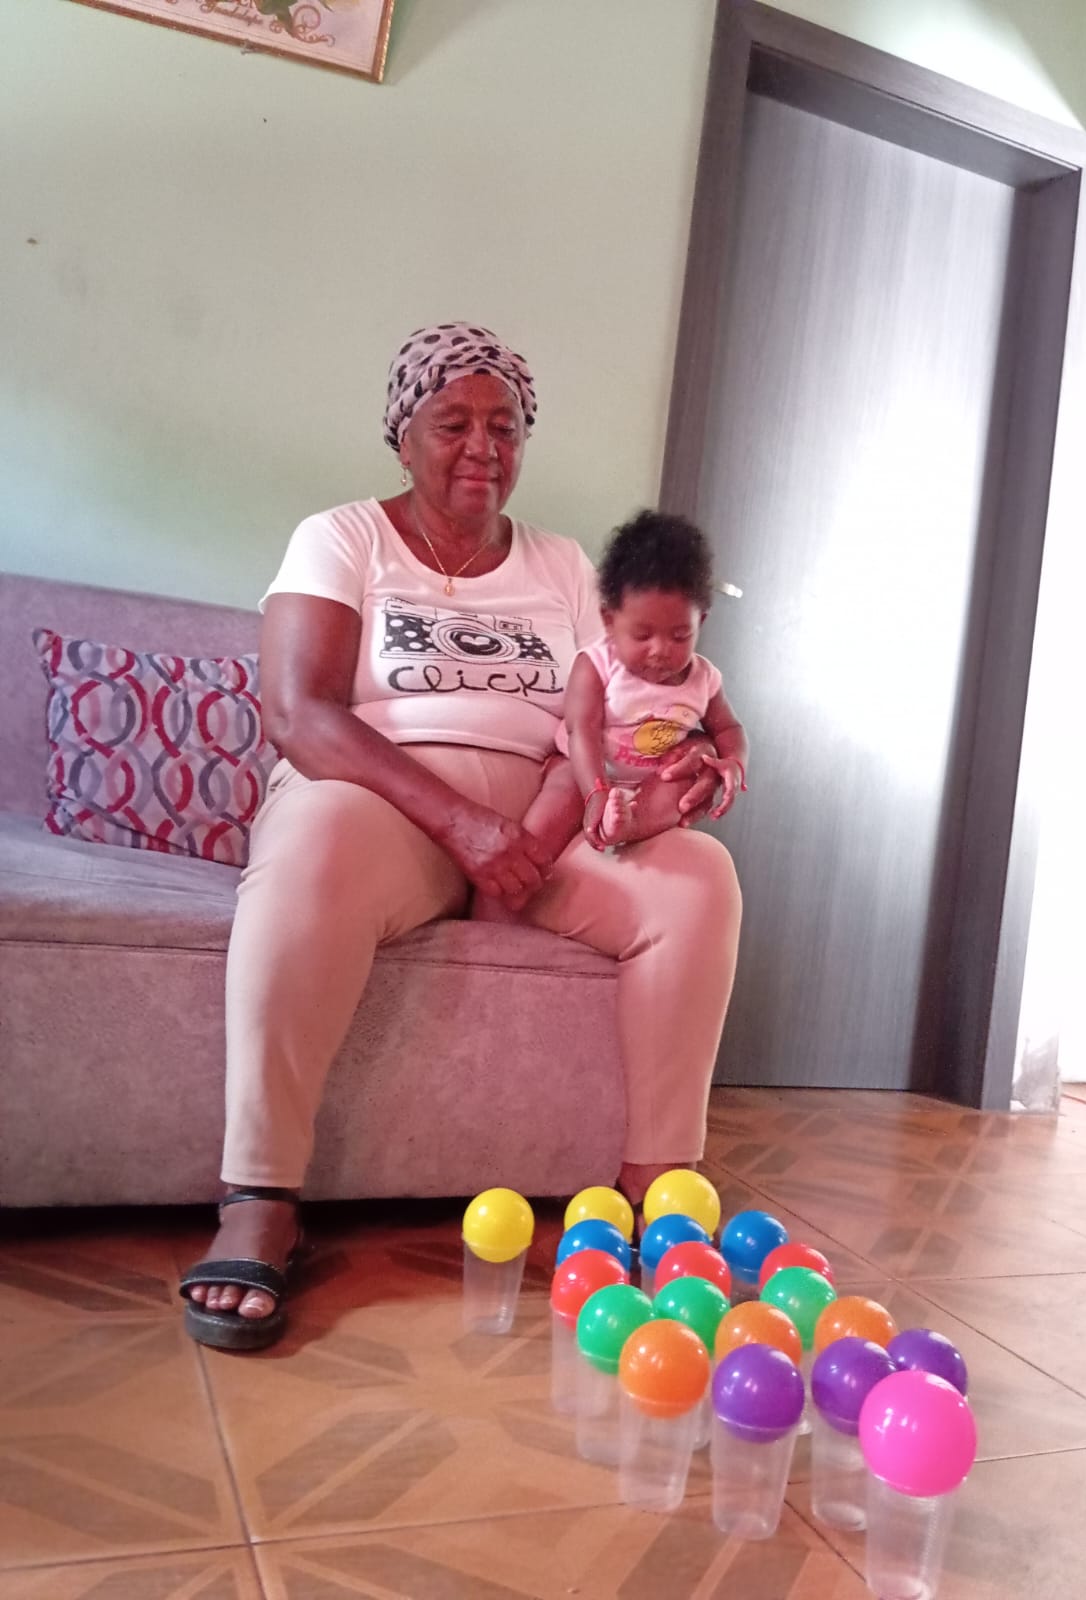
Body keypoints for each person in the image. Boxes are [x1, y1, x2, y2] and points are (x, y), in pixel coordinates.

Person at [179, 323, 741, 1351]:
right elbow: (300, 714)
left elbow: (612, 717)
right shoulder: (343, 538)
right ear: (403, 435)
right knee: (313, 846)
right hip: (379, 798)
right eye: (453, 423)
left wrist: (672, 772)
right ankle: (259, 1195)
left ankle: (655, 1192)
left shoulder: (564, 565)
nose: (483, 445)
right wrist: (461, 825)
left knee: (698, 877)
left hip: (542, 811)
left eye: (505, 425)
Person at [551, 509, 748, 850]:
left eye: (680, 635)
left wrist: (733, 761)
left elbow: (729, 728)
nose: (660, 651)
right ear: (609, 621)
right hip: (586, 769)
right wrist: (596, 790)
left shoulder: (704, 679)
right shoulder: (597, 664)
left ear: (700, 622)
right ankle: (531, 859)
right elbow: (581, 729)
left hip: (652, 780)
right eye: (642, 635)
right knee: (558, 791)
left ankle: (629, 826)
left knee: (678, 786)